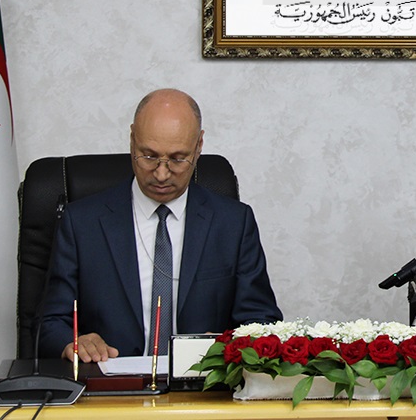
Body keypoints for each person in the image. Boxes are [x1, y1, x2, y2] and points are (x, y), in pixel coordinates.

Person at [38, 89, 282, 361]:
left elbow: (261, 322)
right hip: (111, 379)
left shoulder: (233, 224)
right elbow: (50, 324)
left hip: (202, 381)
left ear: (199, 146)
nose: (162, 174)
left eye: (177, 159)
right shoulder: (82, 223)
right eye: (149, 156)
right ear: (132, 140)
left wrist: (228, 349)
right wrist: (74, 342)